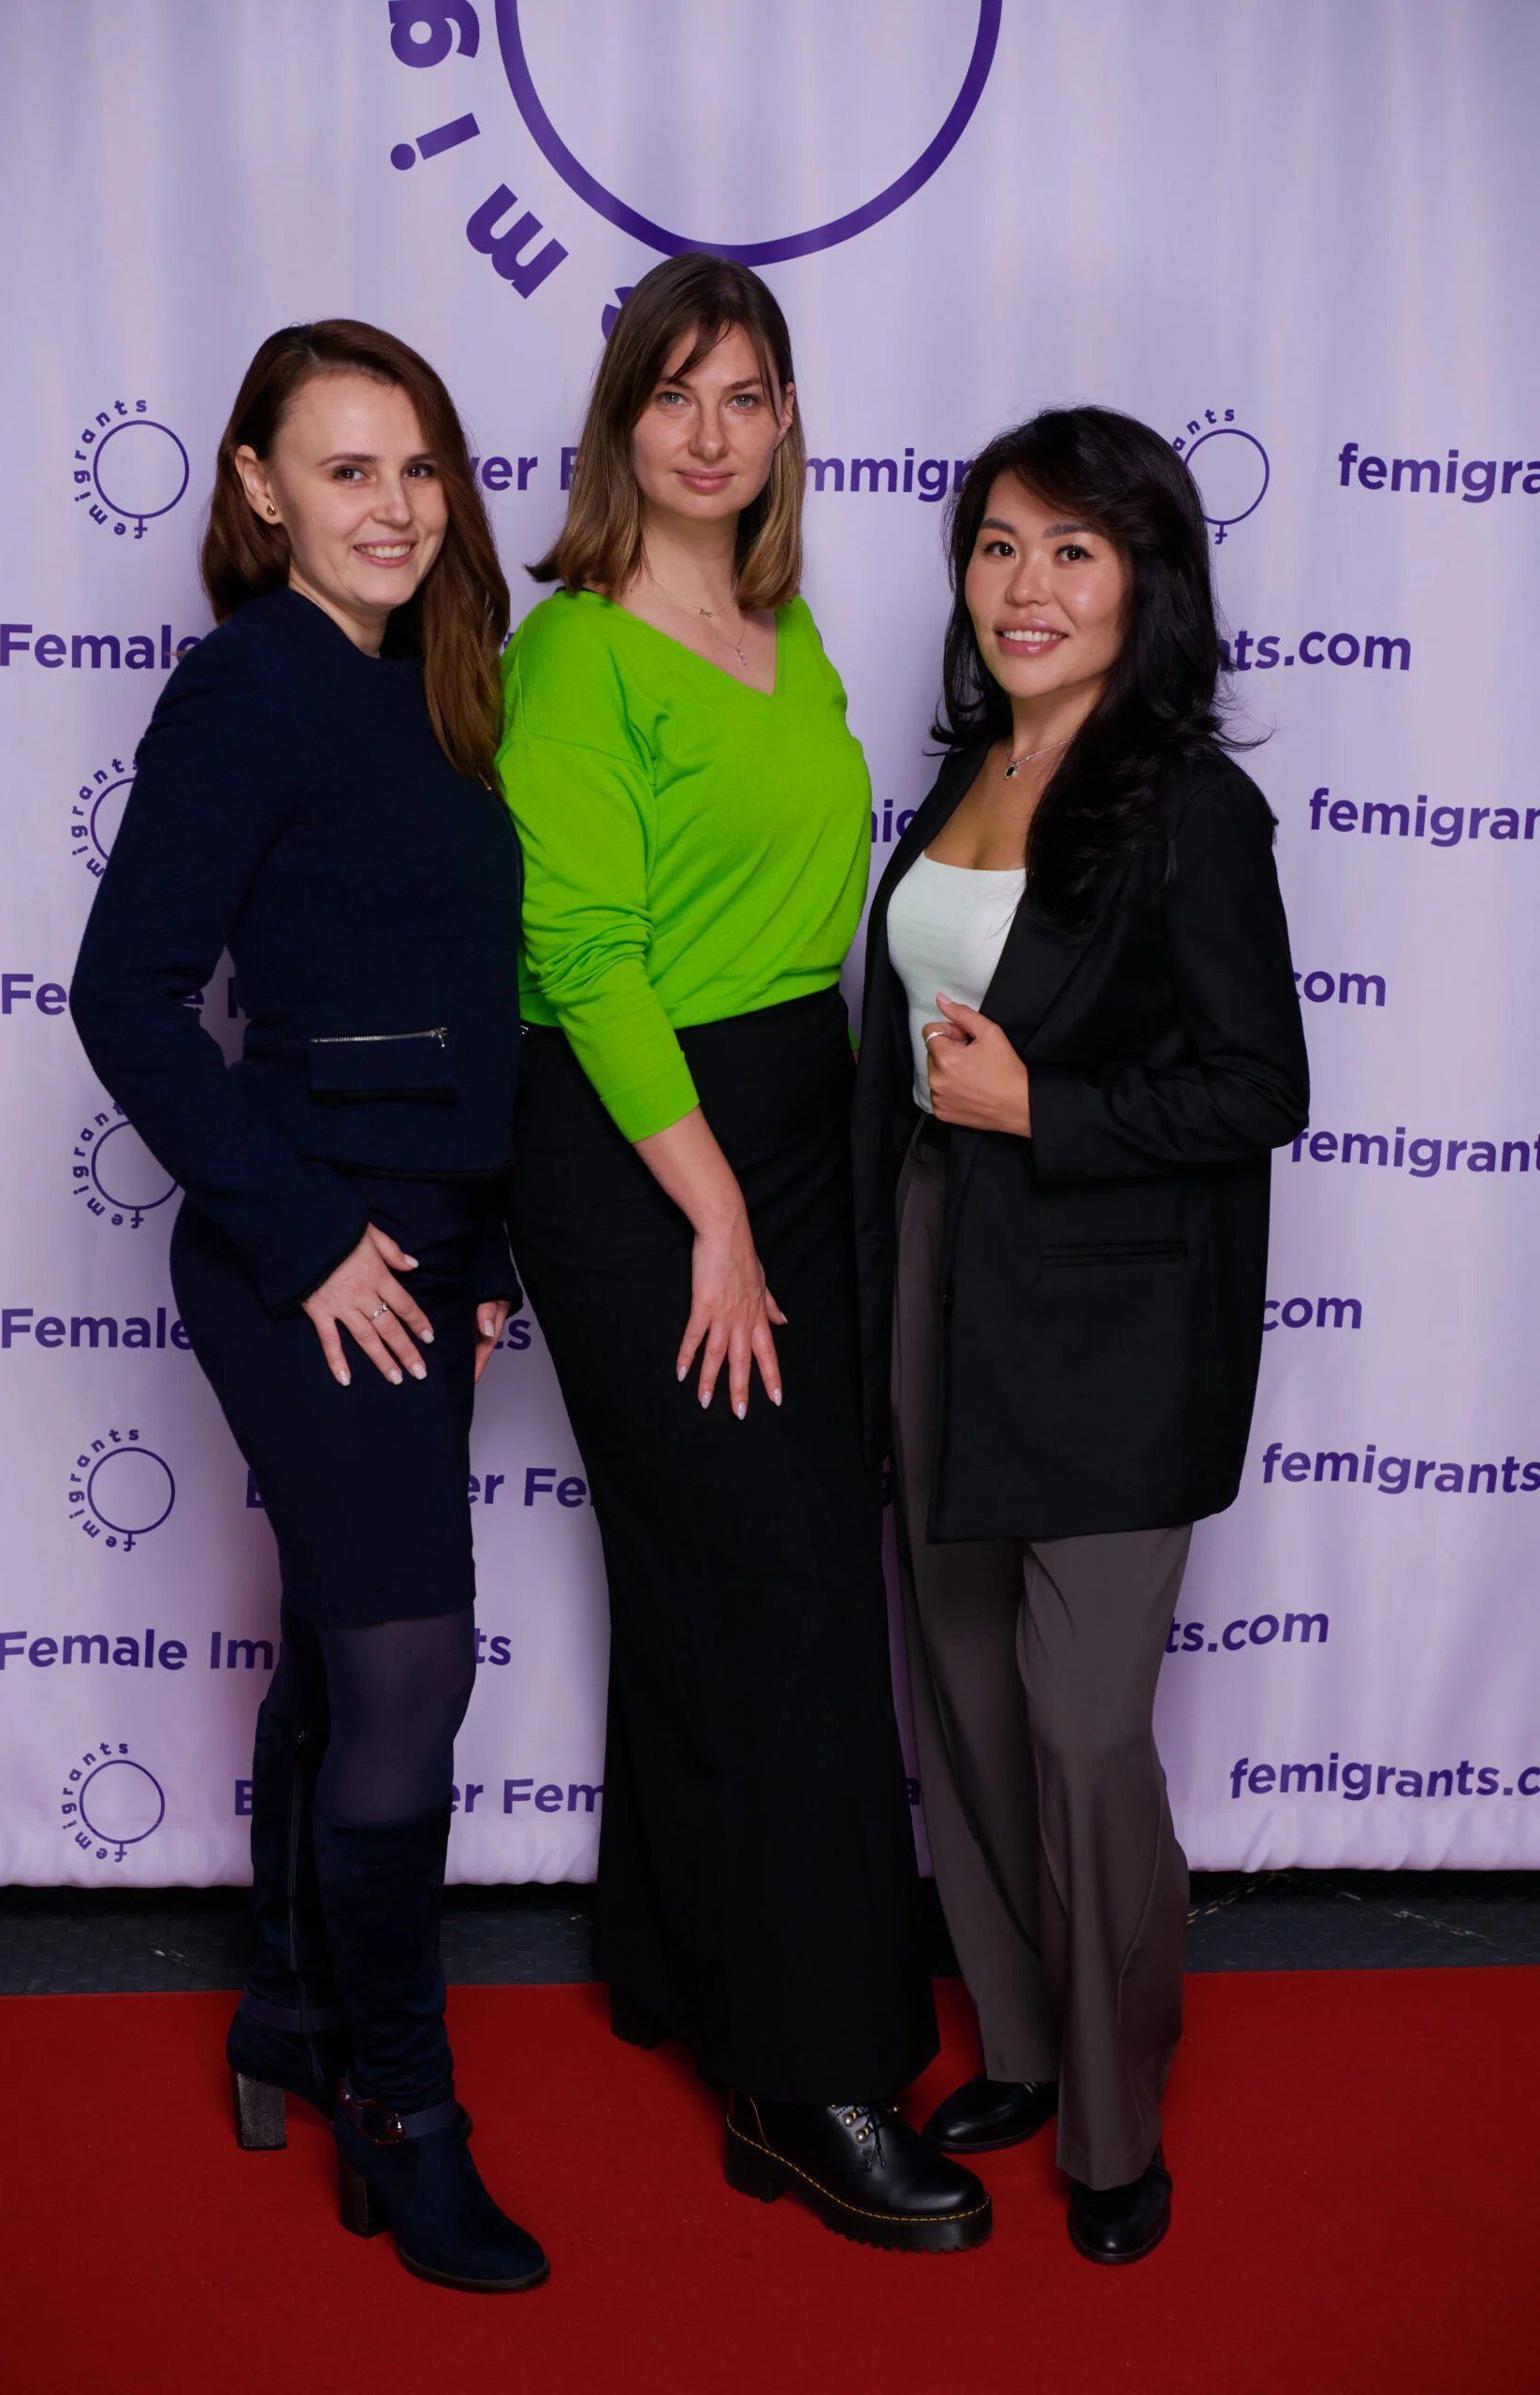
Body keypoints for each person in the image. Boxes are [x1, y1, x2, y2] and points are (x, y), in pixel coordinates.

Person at [498, 254, 988, 2254]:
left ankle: (676, 1957)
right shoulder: (572, 654)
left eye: (746, 394)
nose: (709, 431)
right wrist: (711, 1217)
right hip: (646, 1150)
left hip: (802, 1116)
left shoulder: (783, 629)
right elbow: (583, 957)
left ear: (785, 423)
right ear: (620, 420)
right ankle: (808, 2079)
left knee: (734, 1573)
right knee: (779, 1593)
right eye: (672, 391)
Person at [69, 321, 546, 2296]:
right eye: (349, 468)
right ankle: (403, 2104)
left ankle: (286, 2001)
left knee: (351, 1661)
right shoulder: (249, 680)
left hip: (423, 1250)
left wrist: (480, 1255)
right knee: (413, 1672)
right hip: (309, 1255)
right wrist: (306, 1235)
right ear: (259, 490)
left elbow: (463, 1005)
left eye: (419, 467)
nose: (395, 506)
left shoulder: (431, 686)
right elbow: (122, 994)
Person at [851, 406, 1308, 2264]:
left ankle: (1117, 2124)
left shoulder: (1188, 802)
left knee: (1086, 1726)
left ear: (1145, 581)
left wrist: (1044, 1108)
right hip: (936, 1266)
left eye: (1071, 549)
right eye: (997, 546)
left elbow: (1259, 1086)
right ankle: (1025, 2039)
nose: (1023, 586)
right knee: (962, 1696)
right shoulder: (964, 768)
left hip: (1113, 1317)